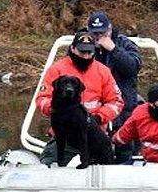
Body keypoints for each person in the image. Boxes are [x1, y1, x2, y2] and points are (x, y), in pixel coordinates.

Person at [36, 29, 123, 165]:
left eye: (89, 52)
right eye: (82, 52)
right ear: (72, 48)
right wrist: (56, 108)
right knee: (47, 165)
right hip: (63, 136)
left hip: (93, 133)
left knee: (108, 163)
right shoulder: (57, 70)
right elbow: (41, 101)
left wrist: (98, 117)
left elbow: (116, 102)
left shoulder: (103, 72)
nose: (86, 56)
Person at [86, 11, 142, 163]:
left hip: (123, 108)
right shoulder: (83, 45)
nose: (98, 37)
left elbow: (132, 67)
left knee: (124, 148)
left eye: (102, 33)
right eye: (94, 33)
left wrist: (114, 50)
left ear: (109, 30)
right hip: (95, 109)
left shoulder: (125, 44)